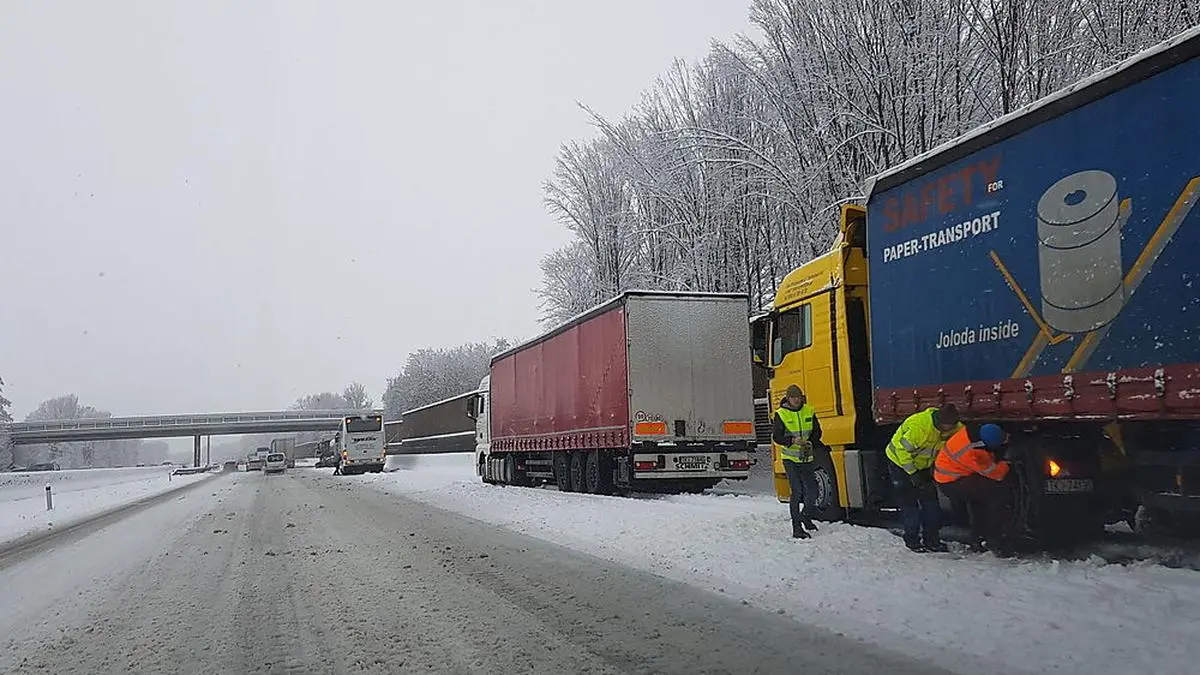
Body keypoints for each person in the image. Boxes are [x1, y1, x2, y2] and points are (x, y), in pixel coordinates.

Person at [886, 404, 962, 552]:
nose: (950, 429)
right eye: (948, 426)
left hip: (923, 466)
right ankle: (912, 540)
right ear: (939, 422)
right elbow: (901, 451)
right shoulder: (920, 427)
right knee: (910, 504)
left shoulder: (955, 427)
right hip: (900, 464)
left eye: (953, 425)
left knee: (931, 503)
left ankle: (932, 540)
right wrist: (913, 474)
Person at [935, 423, 1016, 557]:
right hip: (951, 482)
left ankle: (979, 536)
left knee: (980, 497)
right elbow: (996, 474)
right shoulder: (973, 453)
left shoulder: (969, 432)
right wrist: (1006, 463)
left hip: (951, 474)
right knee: (992, 495)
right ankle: (992, 539)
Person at [773, 384, 822, 539]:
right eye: (793, 397)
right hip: (790, 459)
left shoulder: (809, 410)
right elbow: (777, 436)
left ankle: (805, 516)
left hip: (806, 457)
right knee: (797, 491)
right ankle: (797, 528)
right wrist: (792, 440)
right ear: (788, 399)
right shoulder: (781, 414)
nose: (796, 400)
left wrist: (810, 442)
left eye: (798, 397)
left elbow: (817, 431)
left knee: (813, 491)